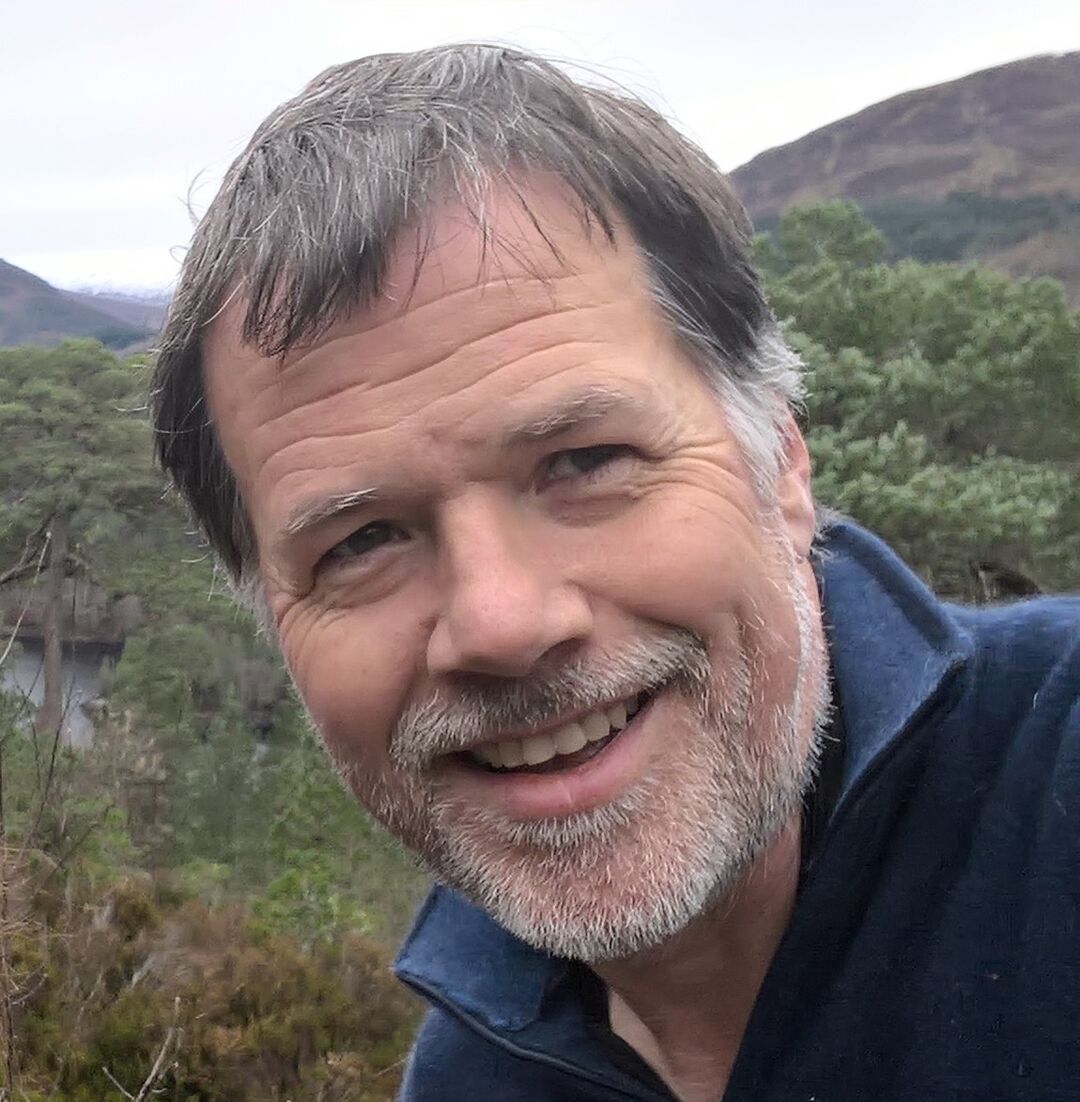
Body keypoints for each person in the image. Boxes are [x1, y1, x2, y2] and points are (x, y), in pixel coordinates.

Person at [152, 45, 1080, 1102]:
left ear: (779, 457)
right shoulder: (468, 1076)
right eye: (361, 542)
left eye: (584, 462)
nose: (501, 620)